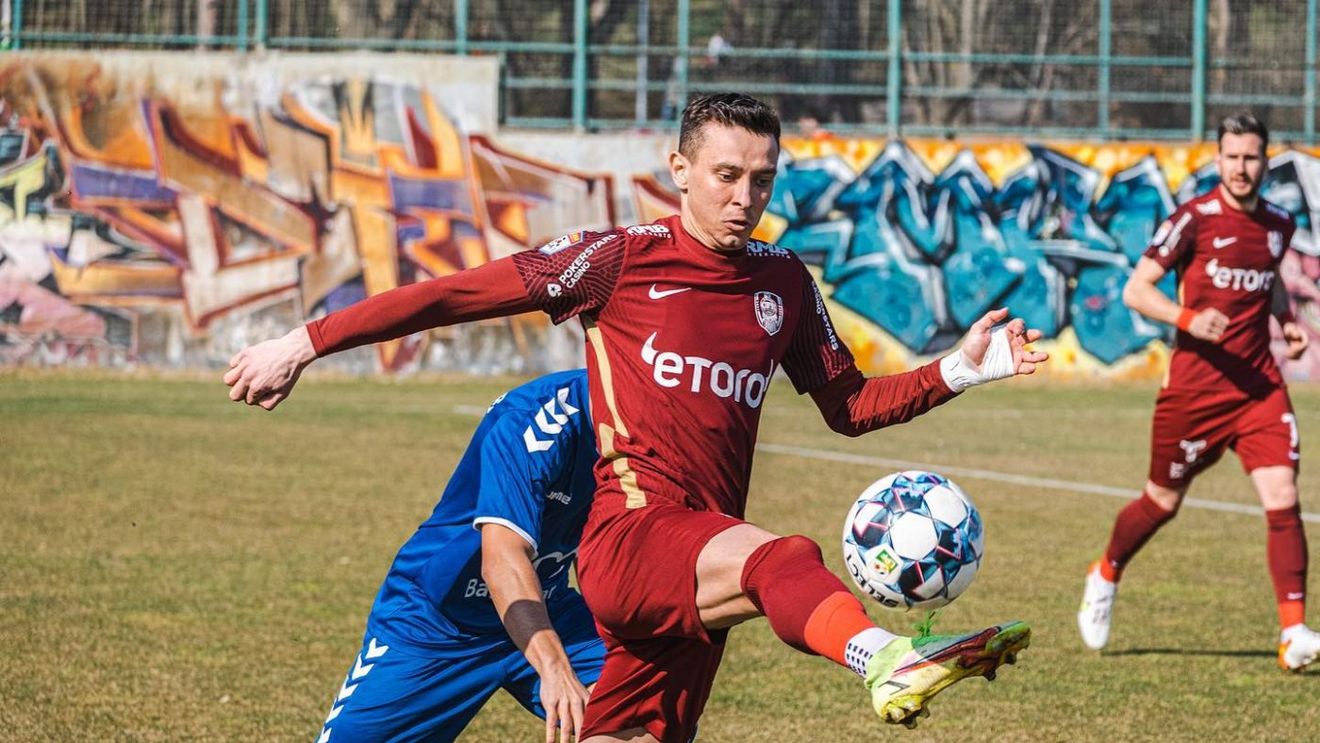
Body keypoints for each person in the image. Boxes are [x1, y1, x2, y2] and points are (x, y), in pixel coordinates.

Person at [226, 93, 1048, 740]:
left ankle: (883, 656)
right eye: (726, 175)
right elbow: (453, 294)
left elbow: (851, 404)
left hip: (701, 556)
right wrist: (306, 341)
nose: (746, 197)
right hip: (633, 537)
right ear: (679, 169)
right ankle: (885, 656)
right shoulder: (616, 261)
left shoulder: (783, 282)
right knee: (784, 555)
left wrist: (959, 369)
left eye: (763, 180)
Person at [1077, 113, 1319, 672]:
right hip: (1194, 393)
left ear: (1265, 160)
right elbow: (1137, 290)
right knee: (1161, 502)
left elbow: (1269, 280)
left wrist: (1286, 321)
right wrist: (1187, 318)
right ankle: (1106, 572)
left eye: (1251, 157)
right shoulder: (1193, 218)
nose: (1241, 167)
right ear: (1218, 160)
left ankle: (1294, 633)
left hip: (1258, 388)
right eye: (1232, 157)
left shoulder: (1279, 224)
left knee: (1283, 495)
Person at [315, 370, 603, 743]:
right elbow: (502, 558)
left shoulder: (656, 424)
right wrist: (554, 669)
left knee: (646, 715)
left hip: (547, 604)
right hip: (438, 621)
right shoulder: (537, 417)